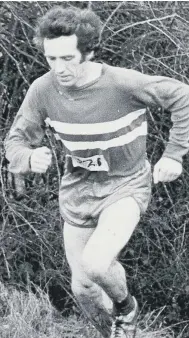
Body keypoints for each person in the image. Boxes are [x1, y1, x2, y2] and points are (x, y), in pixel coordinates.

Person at [4, 5, 189, 338]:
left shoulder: (122, 83)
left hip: (126, 185)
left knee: (97, 262)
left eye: (67, 58)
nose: (59, 68)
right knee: (84, 289)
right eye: (51, 59)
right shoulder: (42, 90)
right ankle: (115, 333)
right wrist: (26, 159)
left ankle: (126, 308)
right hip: (78, 190)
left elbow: (182, 96)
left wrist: (174, 154)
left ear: (88, 52)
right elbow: (15, 142)